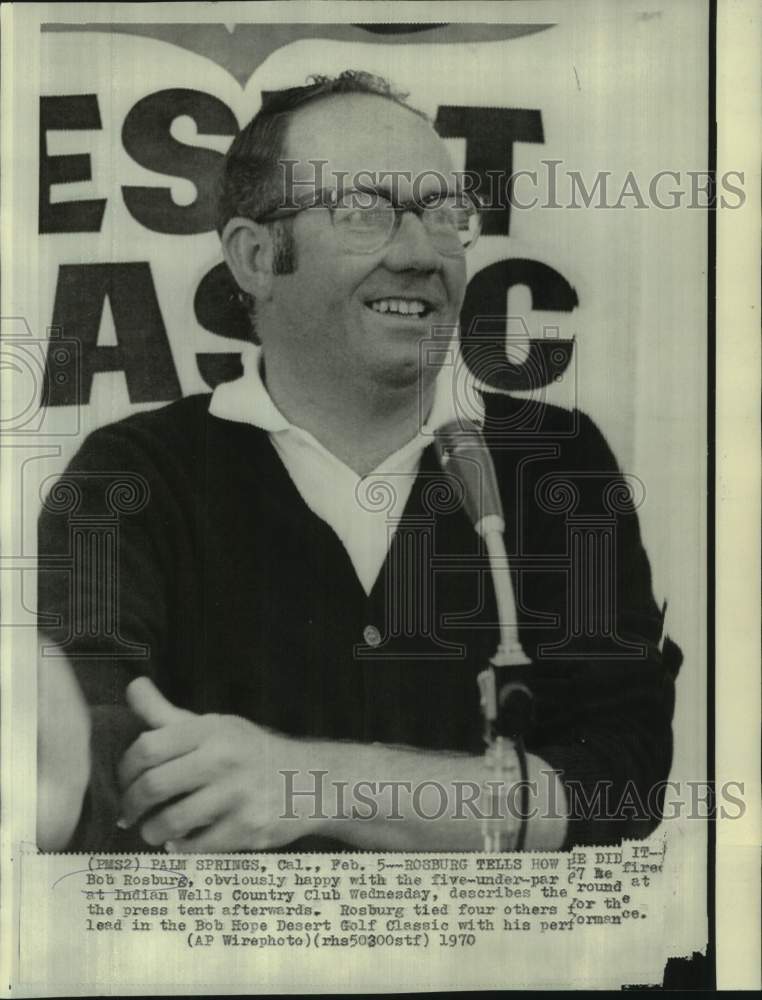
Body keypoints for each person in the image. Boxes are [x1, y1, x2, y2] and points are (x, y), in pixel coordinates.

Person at [36, 71, 680, 854]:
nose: (421, 253)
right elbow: (97, 757)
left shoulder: (558, 461)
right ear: (255, 257)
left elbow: (623, 776)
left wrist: (309, 782)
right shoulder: (129, 475)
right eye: (365, 212)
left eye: (444, 214)